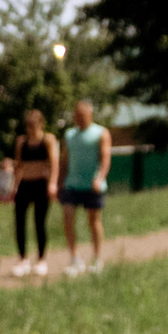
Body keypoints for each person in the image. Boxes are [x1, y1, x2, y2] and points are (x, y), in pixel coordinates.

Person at [58, 98, 111, 276]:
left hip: (92, 186)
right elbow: (64, 161)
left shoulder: (101, 133)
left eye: (82, 115)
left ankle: (97, 258)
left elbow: (105, 159)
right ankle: (74, 259)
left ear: (90, 114)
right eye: (76, 115)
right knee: (67, 217)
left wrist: (100, 177)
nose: (79, 118)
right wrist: (59, 182)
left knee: (93, 221)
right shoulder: (69, 135)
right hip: (72, 185)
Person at [8, 108, 56, 277]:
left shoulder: (48, 140)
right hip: (25, 185)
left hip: (40, 185)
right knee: (19, 222)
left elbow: (54, 163)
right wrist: (14, 186)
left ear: (40, 124)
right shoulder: (21, 142)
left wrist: (53, 183)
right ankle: (22, 259)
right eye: (28, 126)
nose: (31, 129)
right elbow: (18, 166)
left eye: (33, 126)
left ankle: (41, 259)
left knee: (39, 222)